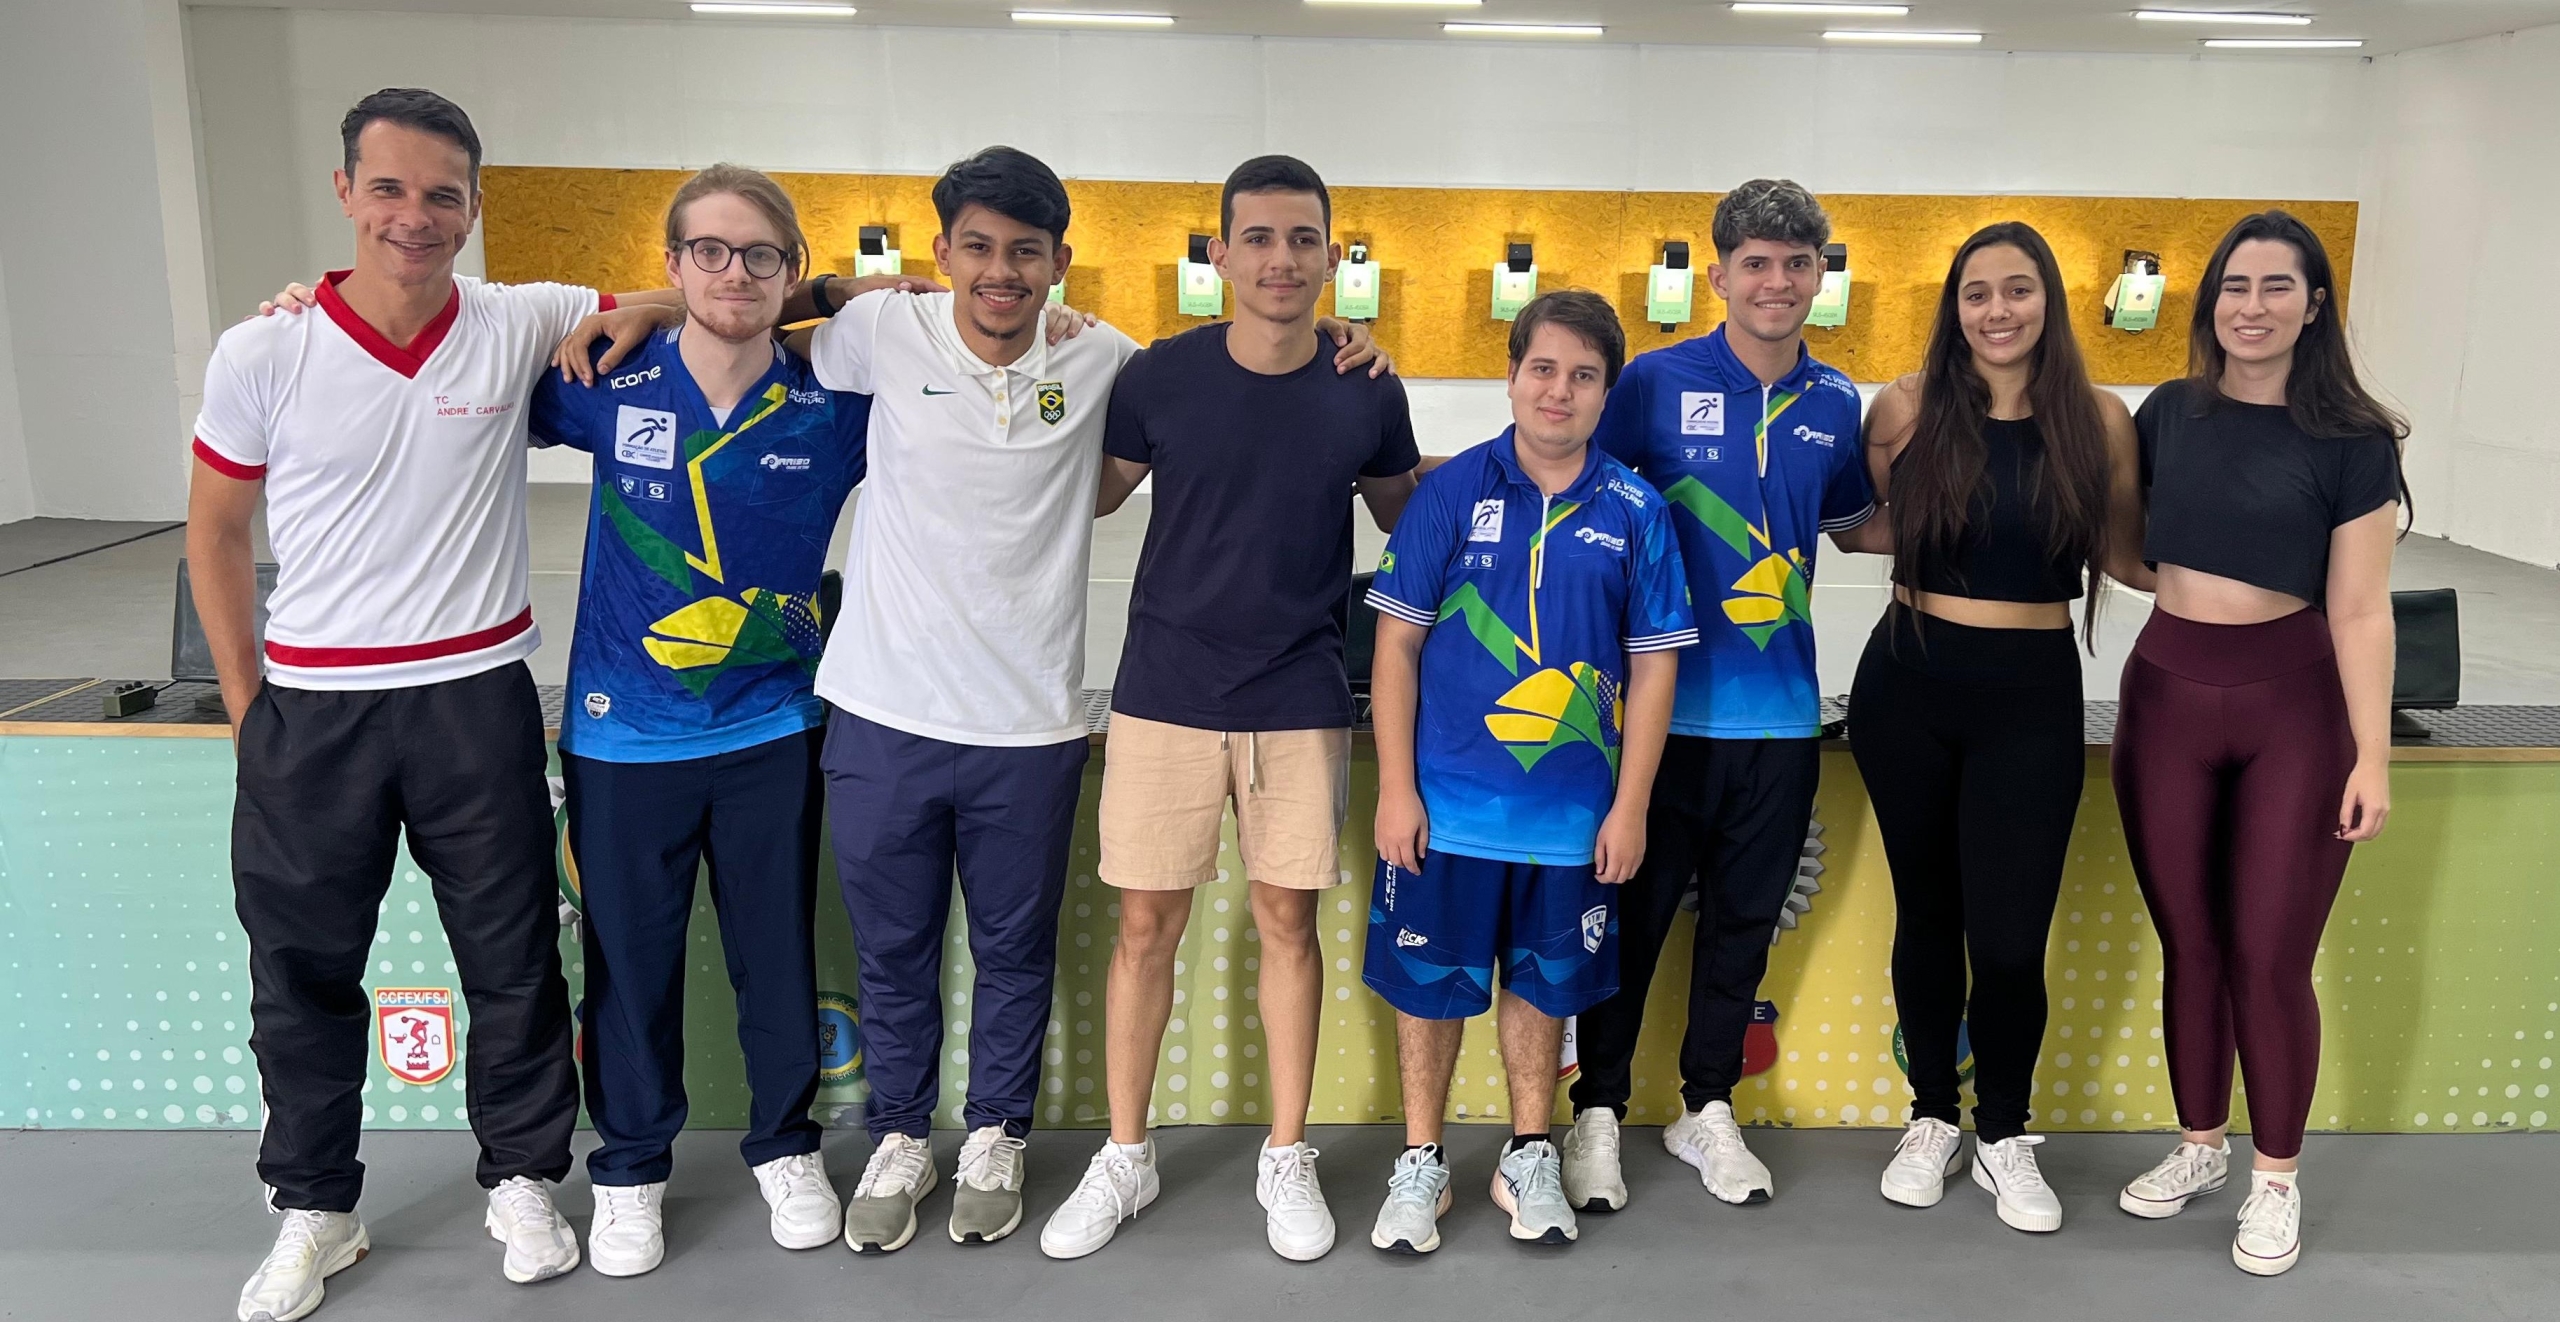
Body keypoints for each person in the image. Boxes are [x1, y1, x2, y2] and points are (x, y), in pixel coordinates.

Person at [791, 146, 1385, 1255]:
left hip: (1065, 709)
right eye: (977, 247)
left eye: (1025, 252)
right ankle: (940, 1135)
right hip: (919, 701)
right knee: (910, 946)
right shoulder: (904, 335)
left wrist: (1512, 435)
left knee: (1054, 946)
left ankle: (1028, 1135)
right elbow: (742, 300)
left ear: (1061, 264)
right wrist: (808, 289)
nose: (1001, 271)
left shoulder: (1122, 360)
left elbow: (1386, 493)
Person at [193, 88, 683, 1321]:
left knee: (513, 959)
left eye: (443, 194)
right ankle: (316, 1205)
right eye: (392, 188)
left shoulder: (518, 320)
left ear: (473, 206)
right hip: (315, 711)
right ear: (348, 191)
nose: (416, 216)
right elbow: (216, 530)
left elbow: (671, 300)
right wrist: (252, 704)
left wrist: (676, 300)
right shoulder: (267, 347)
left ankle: (522, 1176)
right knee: (301, 971)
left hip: (474, 698)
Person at [1042, 155, 1419, 1263]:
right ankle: (1126, 1150)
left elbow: (1411, 518)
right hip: (1163, 691)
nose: (1279, 259)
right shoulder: (1157, 376)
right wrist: (1032, 356)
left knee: (1286, 924)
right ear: (1217, 254)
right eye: (1256, 237)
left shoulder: (1365, 386)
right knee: (1145, 928)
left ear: (1332, 255)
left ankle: (1286, 1150)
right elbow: (1082, 484)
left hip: (1297, 696)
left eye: (1303, 238)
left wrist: (1535, 455)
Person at [521, 164, 869, 1278]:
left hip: (770, 729)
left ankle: (785, 1145)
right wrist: (643, 313)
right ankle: (629, 1166)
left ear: (791, 272)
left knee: (776, 952)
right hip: (622, 736)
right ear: (669, 263)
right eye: (708, 252)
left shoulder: (833, 409)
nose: (734, 272)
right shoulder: (601, 381)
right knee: (631, 960)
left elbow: (928, 323)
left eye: (760, 254)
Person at [1558, 179, 1884, 1212]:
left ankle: (1706, 1104)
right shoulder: (1651, 383)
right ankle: (1597, 1108)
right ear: (1719, 275)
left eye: (1797, 262)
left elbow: (1853, 527)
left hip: (1781, 718)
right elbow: (1574, 495)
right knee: (1633, 920)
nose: (1777, 280)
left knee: (1741, 925)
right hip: (1658, 719)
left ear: (1820, 275)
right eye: (1756, 262)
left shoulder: (1836, 402)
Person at [1362, 290, 1696, 1253]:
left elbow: (1655, 662)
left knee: (1546, 988)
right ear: (1512, 376)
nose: (1560, 391)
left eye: (1584, 375)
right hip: (1445, 813)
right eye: (1542, 368)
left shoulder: (1637, 510)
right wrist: (1395, 787)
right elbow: (1397, 648)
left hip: (1570, 821)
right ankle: (1421, 1160)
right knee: (1428, 991)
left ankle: (1526, 1152)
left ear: (1607, 391)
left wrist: (1630, 805)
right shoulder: (1449, 492)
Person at [2111, 211, 2402, 1277]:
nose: (2251, 305)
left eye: (2277, 286)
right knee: (2188, 941)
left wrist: (2371, 754)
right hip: (2166, 697)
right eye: (2234, 286)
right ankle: (2198, 1144)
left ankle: (2273, 1174)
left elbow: (2363, 609)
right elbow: (2125, 539)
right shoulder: (2169, 414)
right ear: (2208, 303)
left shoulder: (2353, 438)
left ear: (2314, 305)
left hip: (2295, 707)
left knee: (2267, 956)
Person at [1845, 222, 2146, 1233]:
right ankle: (1932, 1112)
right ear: (1954, 305)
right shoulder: (1904, 407)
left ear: (2048, 302)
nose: (1998, 310)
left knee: (2010, 938)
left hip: (2029, 691)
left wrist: (2296, 571)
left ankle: (2003, 1132)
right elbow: (1860, 521)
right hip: (1909, 681)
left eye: (2018, 290)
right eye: (1977, 293)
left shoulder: (2097, 421)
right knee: (1927, 916)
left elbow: (2129, 556)